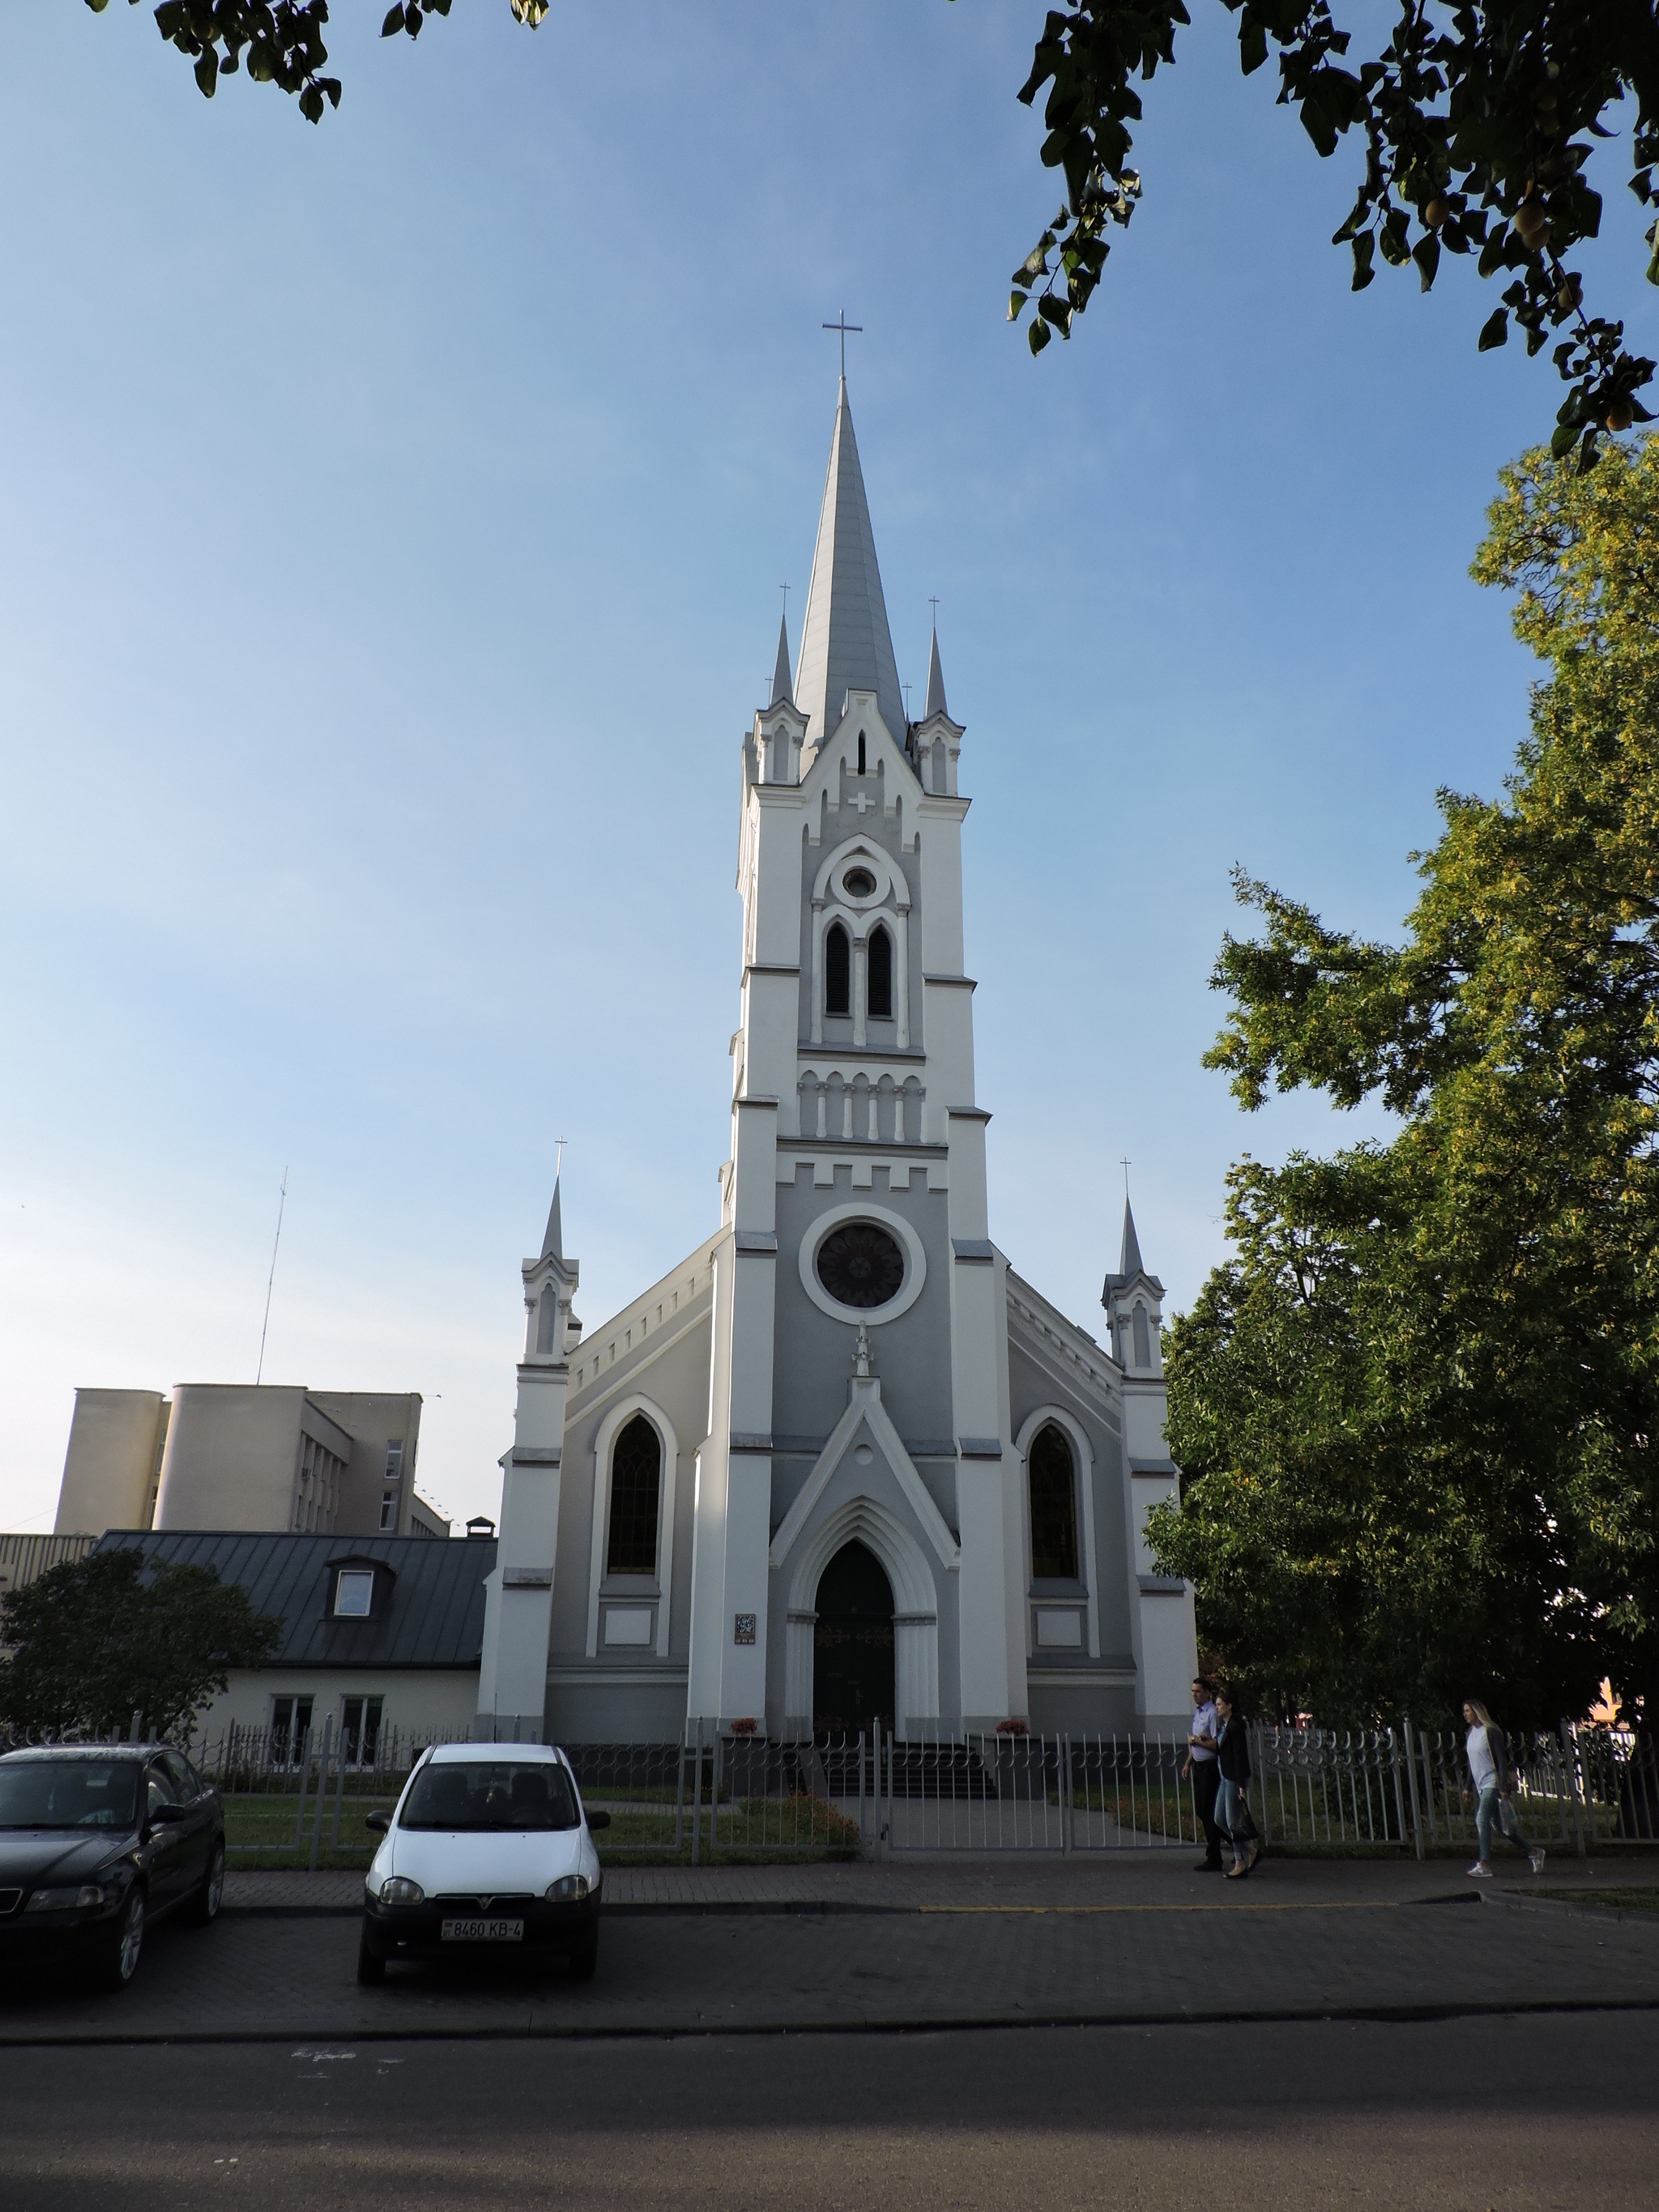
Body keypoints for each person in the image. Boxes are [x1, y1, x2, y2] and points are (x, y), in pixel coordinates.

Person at [1464, 1698, 1546, 1879]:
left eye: (1468, 1710)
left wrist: (1502, 1786)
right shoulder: (1471, 1733)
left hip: (1492, 1782)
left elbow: (1501, 1760)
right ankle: (1533, 1852)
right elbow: (1471, 1763)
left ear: (1477, 1712)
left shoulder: (1491, 1732)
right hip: (1480, 1784)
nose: (1465, 1714)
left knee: (1481, 1819)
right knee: (1503, 1828)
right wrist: (1467, 1787)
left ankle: (1484, 1863)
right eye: (1465, 1711)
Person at [1213, 1685, 1260, 1878]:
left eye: (1220, 1704)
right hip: (1225, 1778)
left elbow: (1240, 1757)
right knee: (1219, 1819)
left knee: (1233, 1822)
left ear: (1230, 1706)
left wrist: (1242, 1785)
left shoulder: (1236, 1727)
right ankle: (1249, 1849)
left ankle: (1240, 1861)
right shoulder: (1224, 1726)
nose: (1217, 1708)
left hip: (1234, 1779)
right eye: (1216, 1704)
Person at [1182, 1676, 1223, 1871]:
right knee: (1203, 1810)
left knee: (1208, 1812)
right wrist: (1188, 1763)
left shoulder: (1212, 1714)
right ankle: (1240, 1846)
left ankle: (1215, 1856)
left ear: (1207, 1692)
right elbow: (1195, 1741)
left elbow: (1216, 1743)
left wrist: (1198, 1742)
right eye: (1192, 1692)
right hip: (1198, 1765)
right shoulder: (1198, 1714)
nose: (1195, 1695)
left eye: (1198, 1691)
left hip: (1209, 1767)